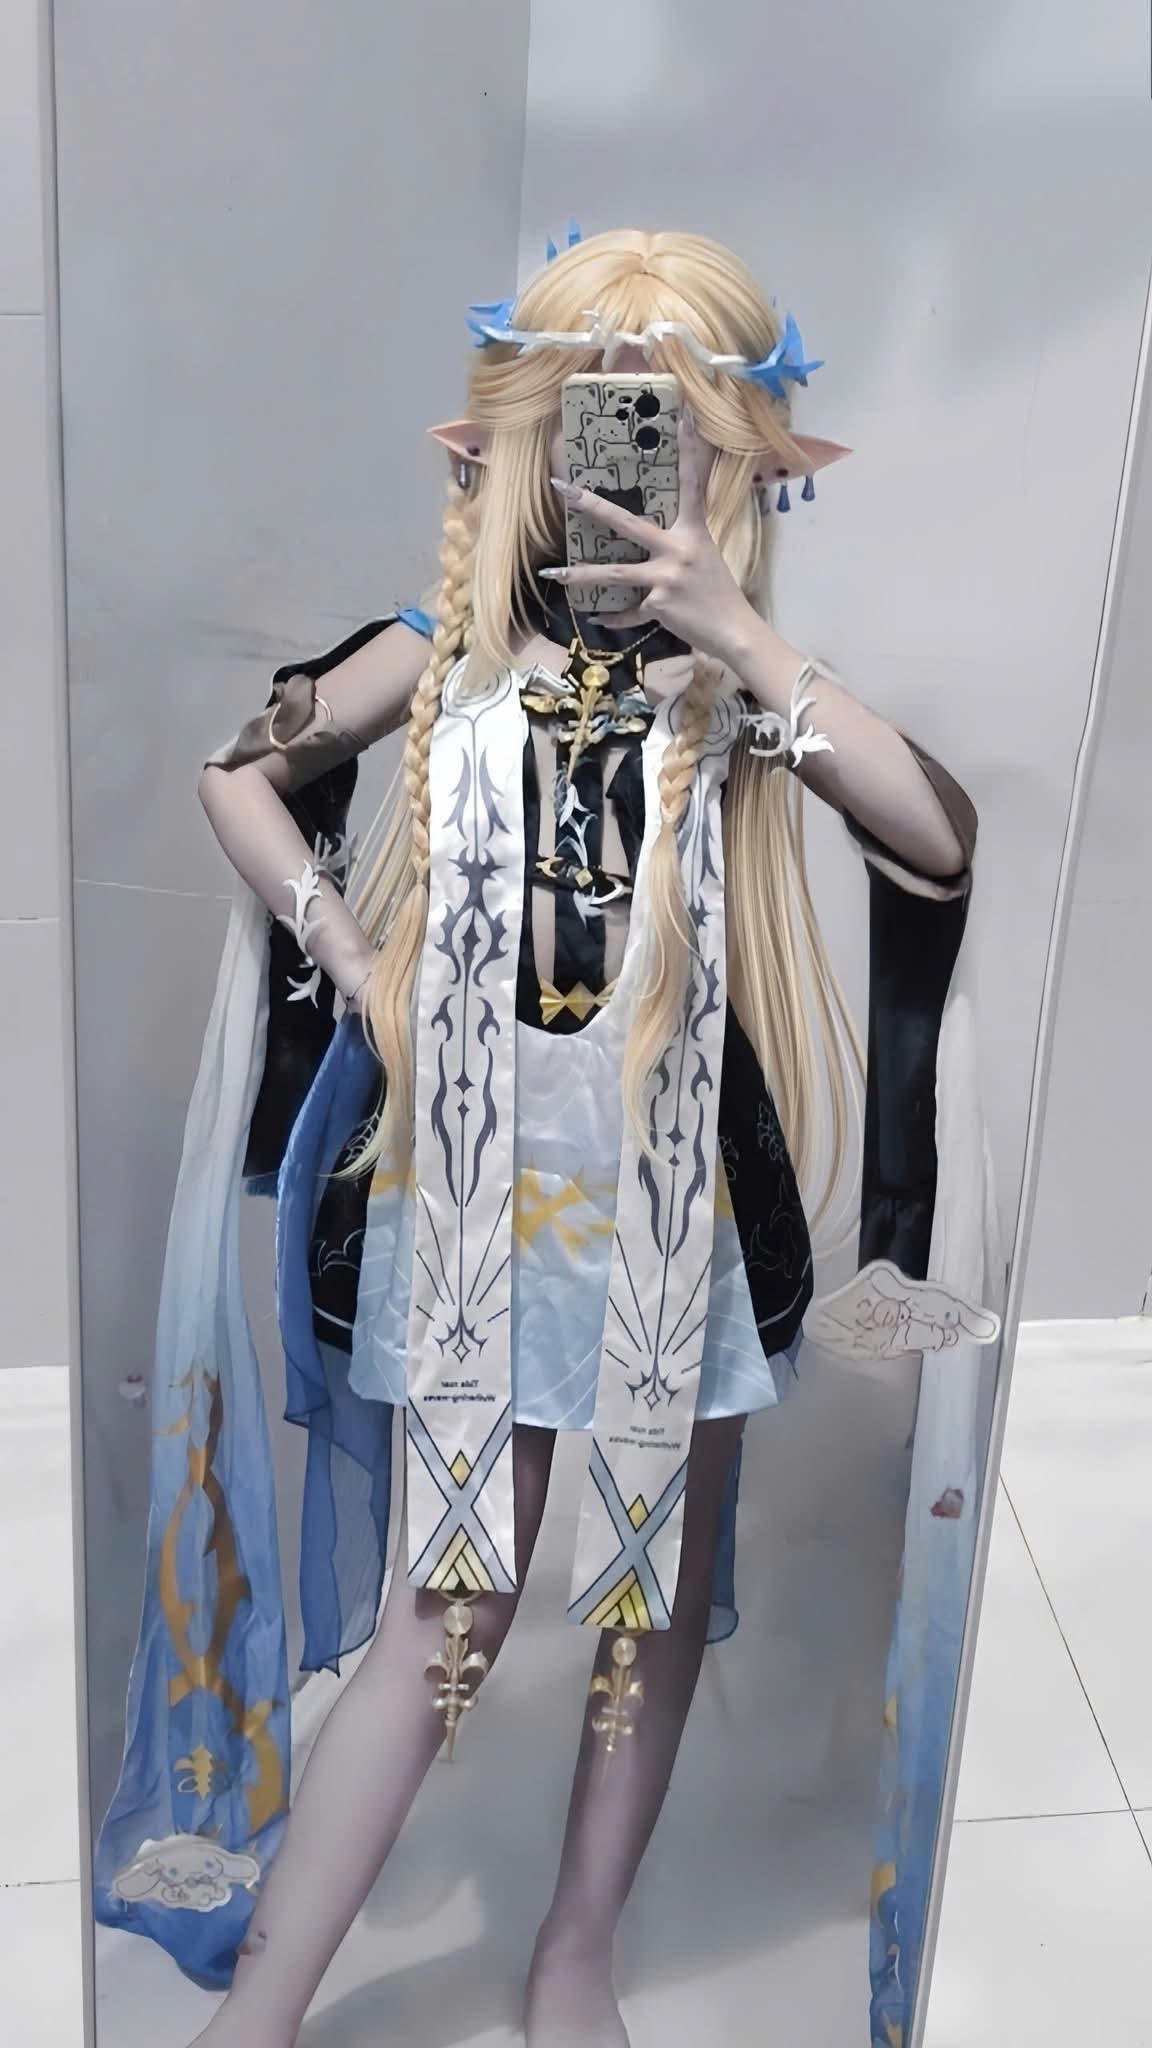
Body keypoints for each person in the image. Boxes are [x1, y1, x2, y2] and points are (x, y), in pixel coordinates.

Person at [94, 228, 985, 2048]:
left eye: (672, 425)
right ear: (520, 436)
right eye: (593, 417)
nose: (625, 460)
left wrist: (739, 633)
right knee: (454, 1611)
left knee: (648, 1598)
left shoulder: (742, 690)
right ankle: (268, 2003)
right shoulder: (441, 650)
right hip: (469, 1193)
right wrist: (353, 958)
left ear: (736, 453)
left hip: (677, 1203)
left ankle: (573, 1948)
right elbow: (236, 774)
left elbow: (932, 835)